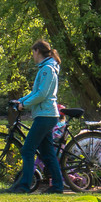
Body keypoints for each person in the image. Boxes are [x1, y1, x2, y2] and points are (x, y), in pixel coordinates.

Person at [9, 39, 64, 193]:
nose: (32, 56)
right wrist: (20, 100)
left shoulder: (47, 69)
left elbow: (42, 94)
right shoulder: (45, 68)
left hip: (45, 115)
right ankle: (57, 187)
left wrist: (24, 105)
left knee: (27, 150)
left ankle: (24, 186)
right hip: (45, 114)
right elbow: (35, 93)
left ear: (37, 51)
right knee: (47, 153)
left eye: (32, 52)